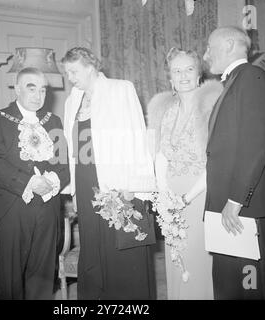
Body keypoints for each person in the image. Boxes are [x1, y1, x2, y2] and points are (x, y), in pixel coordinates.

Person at [61, 47, 157, 300]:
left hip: (116, 181)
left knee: (121, 247)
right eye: (67, 72)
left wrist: (136, 185)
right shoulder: (73, 100)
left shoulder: (120, 89)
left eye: (73, 71)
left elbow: (137, 136)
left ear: (90, 66)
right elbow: (71, 148)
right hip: (84, 180)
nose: (70, 77)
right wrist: (74, 192)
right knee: (93, 246)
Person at [203, 26, 265, 299]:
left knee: (251, 289)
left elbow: (254, 142)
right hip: (231, 207)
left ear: (229, 45)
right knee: (232, 287)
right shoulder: (235, 81)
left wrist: (236, 200)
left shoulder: (251, 76)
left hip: (245, 208)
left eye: (209, 48)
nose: (205, 56)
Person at [0, 67, 69, 299]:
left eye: (42, 90)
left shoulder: (53, 121)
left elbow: (64, 165)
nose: (38, 95)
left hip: (48, 206)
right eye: (31, 89)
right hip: (12, 207)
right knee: (11, 277)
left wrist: (51, 181)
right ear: (17, 89)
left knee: (42, 274)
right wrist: (30, 182)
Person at [147, 48, 223, 299]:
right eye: (177, 71)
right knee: (177, 261)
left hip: (201, 193)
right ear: (170, 78)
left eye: (189, 69)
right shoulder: (165, 111)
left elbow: (215, 162)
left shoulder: (213, 108)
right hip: (171, 196)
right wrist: (163, 193)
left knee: (197, 260)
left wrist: (186, 198)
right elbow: (160, 154)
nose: (183, 76)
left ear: (199, 74)